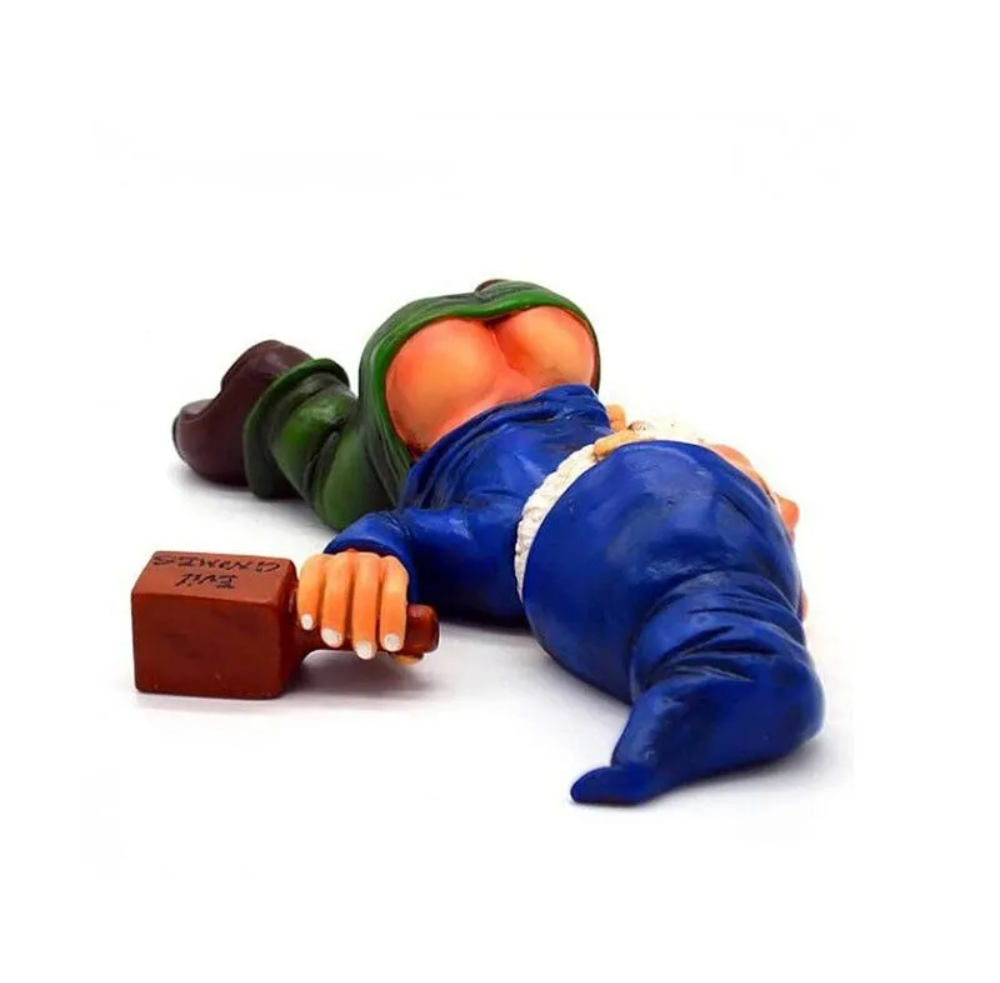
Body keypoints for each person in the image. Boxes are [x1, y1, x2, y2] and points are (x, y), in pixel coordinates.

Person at [174, 279, 823, 805]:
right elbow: (759, 509)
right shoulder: (714, 519)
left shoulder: (506, 535)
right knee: (320, 448)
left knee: (304, 417)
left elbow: (398, 529)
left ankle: (277, 390)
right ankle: (277, 398)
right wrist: (726, 474)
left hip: (444, 406)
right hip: (553, 366)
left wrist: (366, 553)